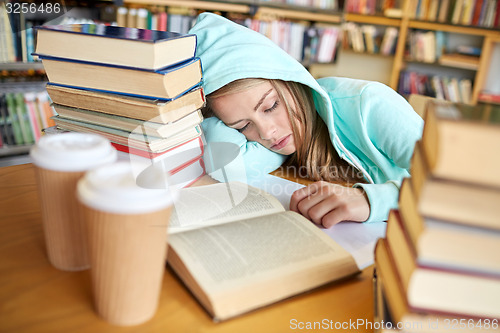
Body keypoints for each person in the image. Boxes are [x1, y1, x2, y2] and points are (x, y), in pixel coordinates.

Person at [188, 13, 424, 227]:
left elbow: (456, 187)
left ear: (290, 79)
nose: (267, 133)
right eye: (243, 126)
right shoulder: (282, 138)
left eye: (271, 106)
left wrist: (370, 200)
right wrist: (200, 117)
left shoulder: (369, 104)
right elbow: (229, 165)